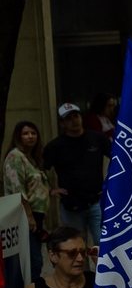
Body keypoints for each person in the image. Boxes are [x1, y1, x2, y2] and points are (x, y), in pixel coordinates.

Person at [45, 102, 111, 241]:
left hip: (97, 202)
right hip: (71, 206)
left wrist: (112, 183)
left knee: (104, 243)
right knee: (76, 248)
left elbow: (118, 158)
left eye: (76, 116)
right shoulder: (55, 146)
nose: (74, 121)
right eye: (69, 118)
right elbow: (39, 170)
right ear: (62, 123)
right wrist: (50, 190)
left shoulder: (97, 138)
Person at [5, 121, 55, 264]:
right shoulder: (15, 156)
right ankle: (29, 286)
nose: (30, 136)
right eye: (25, 133)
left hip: (37, 215)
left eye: (33, 133)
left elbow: (35, 184)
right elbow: (17, 190)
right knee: (33, 260)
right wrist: (28, 216)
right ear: (18, 137)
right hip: (25, 215)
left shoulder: (31, 158)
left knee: (35, 258)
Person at [20, 227, 92, 288]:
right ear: (53, 256)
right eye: (72, 253)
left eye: (83, 252)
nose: (80, 259)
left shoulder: (97, 283)